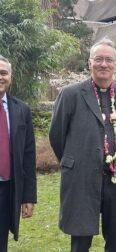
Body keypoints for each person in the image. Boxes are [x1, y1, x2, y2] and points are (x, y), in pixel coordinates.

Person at [49, 37, 116, 252]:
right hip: (82, 177)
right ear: (89, 63)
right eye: (98, 59)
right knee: (80, 242)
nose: (104, 64)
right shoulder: (70, 94)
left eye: (109, 60)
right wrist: (76, 160)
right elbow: (57, 136)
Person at [0, 55, 36, 252]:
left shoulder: (22, 110)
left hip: (7, 190)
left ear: (10, 78)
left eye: (3, 73)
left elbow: (29, 157)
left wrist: (28, 196)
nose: (0, 77)